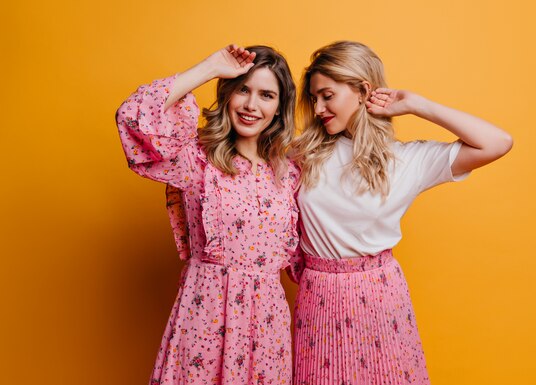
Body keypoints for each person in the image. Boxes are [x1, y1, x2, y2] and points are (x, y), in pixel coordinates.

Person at [290, 41, 513, 385]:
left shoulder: (406, 161)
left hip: (379, 295)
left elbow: (497, 142)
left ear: (363, 91)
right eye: (314, 98)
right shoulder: (304, 154)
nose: (318, 108)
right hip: (318, 293)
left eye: (327, 95)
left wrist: (417, 105)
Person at [115, 44, 300, 385]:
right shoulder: (195, 160)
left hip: (268, 329)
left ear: (279, 108)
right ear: (227, 93)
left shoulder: (290, 174)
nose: (251, 105)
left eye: (266, 95)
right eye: (243, 89)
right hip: (206, 316)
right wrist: (210, 67)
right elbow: (132, 117)